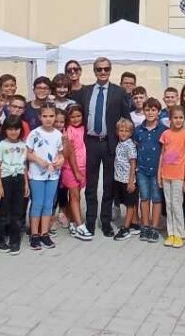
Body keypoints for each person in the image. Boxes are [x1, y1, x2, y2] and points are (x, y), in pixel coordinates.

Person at [80, 57, 130, 237]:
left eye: (106, 69)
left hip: (110, 143)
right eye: (99, 69)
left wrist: (126, 144)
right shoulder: (86, 91)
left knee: (109, 185)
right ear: (94, 71)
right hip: (91, 142)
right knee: (91, 185)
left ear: (110, 70)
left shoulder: (119, 92)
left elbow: (126, 118)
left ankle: (106, 221)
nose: (103, 72)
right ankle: (90, 220)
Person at [27, 102, 64, 250]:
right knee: (37, 203)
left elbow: (60, 154)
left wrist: (60, 160)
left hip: (52, 174)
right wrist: (38, 160)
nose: (48, 119)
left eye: (51, 116)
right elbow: (28, 153)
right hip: (37, 174)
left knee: (48, 204)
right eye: (45, 116)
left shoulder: (58, 135)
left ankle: (45, 233)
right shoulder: (34, 133)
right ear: (40, 117)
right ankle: (34, 234)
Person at [0, 115, 29, 255]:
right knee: (2, 212)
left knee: (17, 212)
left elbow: (24, 165)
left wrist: (26, 184)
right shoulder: (1, 145)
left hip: (19, 179)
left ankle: (15, 240)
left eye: (16, 129)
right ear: (5, 130)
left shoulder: (23, 145)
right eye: (10, 129)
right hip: (5, 179)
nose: (13, 132)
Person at [134, 98, 167, 243]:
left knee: (157, 198)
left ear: (158, 112)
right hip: (142, 170)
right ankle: (145, 226)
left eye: (153, 110)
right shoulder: (138, 130)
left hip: (157, 171)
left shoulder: (163, 130)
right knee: (144, 197)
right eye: (147, 110)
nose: (150, 113)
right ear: (143, 111)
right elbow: (135, 148)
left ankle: (154, 227)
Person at [158, 105, 185, 248]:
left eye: (181, 118)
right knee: (169, 204)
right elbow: (162, 154)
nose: (178, 120)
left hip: (179, 175)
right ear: (170, 119)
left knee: (177, 204)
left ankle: (180, 233)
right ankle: (171, 233)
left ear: (184, 119)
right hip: (166, 174)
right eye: (175, 118)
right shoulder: (166, 134)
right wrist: (159, 174)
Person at [60, 104, 91, 241]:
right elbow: (70, 154)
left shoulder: (85, 128)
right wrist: (76, 171)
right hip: (71, 168)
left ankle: (72, 221)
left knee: (76, 196)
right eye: (72, 117)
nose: (76, 119)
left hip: (84, 166)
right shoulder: (68, 131)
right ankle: (80, 225)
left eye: (78, 116)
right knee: (75, 196)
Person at [112, 119, 139, 241]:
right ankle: (134, 223)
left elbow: (133, 163)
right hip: (119, 179)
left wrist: (131, 181)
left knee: (130, 204)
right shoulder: (119, 143)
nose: (123, 133)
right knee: (125, 202)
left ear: (131, 133)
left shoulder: (130, 145)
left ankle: (126, 228)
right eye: (121, 130)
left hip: (128, 180)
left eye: (126, 131)